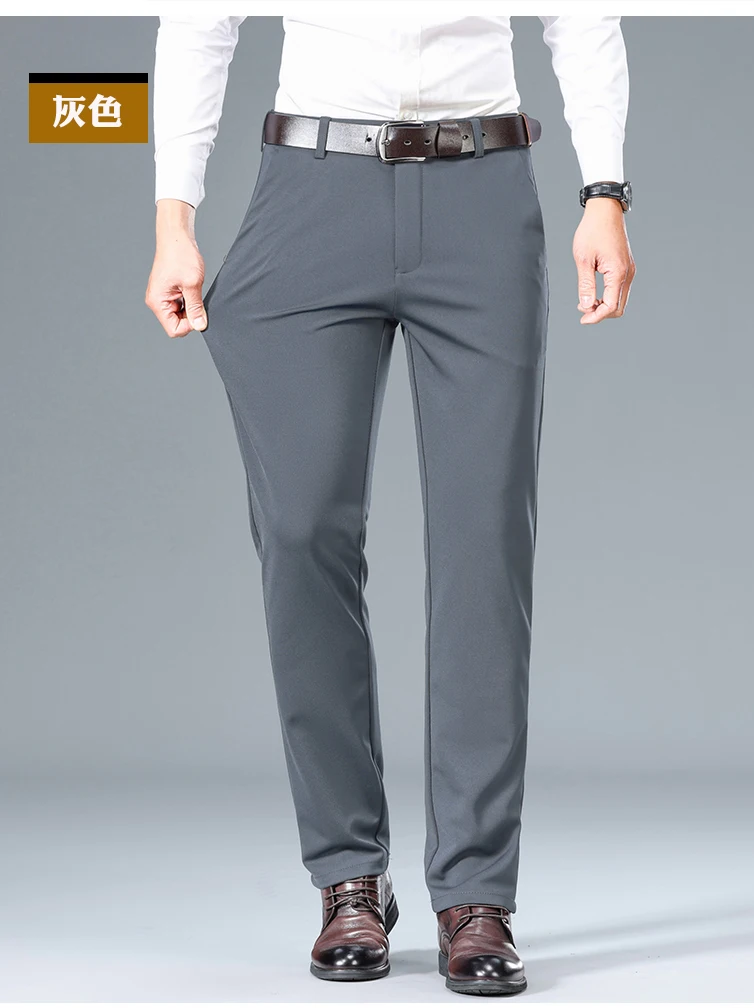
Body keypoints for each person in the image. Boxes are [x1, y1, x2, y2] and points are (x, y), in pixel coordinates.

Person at [145, 11, 635, 996]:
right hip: (309, 189)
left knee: (484, 544)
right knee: (299, 532)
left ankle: (476, 895)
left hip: (482, 190)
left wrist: (605, 191)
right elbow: (200, 20)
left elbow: (583, 16)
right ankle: (348, 875)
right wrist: (174, 220)